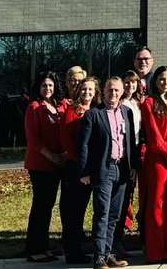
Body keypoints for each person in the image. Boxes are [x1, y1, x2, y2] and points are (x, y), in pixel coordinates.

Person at [78, 76, 139, 269]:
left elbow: (131, 142)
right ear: (103, 92)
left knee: (115, 214)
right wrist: (84, 171)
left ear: (122, 92)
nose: (113, 93)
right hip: (103, 169)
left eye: (116, 90)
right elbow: (84, 145)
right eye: (109, 90)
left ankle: (109, 252)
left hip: (122, 169)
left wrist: (133, 166)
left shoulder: (127, 112)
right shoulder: (93, 114)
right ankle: (99, 256)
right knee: (102, 213)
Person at [140, 66, 167, 263]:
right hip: (158, 157)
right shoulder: (149, 102)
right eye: (162, 79)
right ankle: (156, 251)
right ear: (155, 81)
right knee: (156, 203)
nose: (166, 82)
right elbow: (153, 134)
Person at [24, 71, 66, 263]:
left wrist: (61, 156)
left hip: (56, 164)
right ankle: (34, 249)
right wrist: (51, 156)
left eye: (50, 85)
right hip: (41, 164)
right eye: (44, 86)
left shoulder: (58, 107)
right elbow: (33, 138)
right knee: (40, 206)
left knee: (48, 207)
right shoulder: (34, 107)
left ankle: (44, 247)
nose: (47, 89)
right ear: (38, 88)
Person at [61, 75, 98, 264]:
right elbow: (66, 140)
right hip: (76, 168)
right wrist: (81, 164)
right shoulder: (72, 111)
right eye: (84, 89)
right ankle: (72, 251)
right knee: (74, 210)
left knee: (82, 208)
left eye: (90, 89)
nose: (87, 92)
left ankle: (77, 245)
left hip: (91, 168)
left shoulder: (96, 110)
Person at [120, 72, 143, 243]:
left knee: (133, 185)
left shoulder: (138, 103)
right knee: (125, 187)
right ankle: (124, 222)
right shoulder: (119, 103)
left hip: (137, 146)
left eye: (133, 83)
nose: (130, 86)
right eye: (127, 83)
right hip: (123, 148)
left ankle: (132, 219)